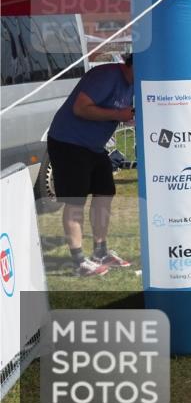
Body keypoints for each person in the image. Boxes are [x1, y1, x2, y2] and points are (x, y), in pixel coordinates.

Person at [47, 56, 135, 276]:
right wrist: (118, 115)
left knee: (105, 194)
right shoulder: (106, 75)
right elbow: (80, 108)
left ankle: (100, 252)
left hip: (94, 146)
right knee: (75, 201)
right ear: (134, 65)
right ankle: (79, 262)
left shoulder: (132, 83)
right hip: (69, 142)